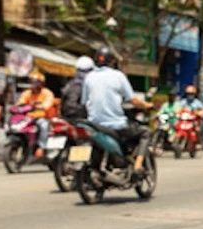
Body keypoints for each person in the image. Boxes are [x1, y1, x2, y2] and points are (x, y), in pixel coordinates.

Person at [82, 47, 151, 175]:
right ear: (112, 62)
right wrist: (146, 105)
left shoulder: (88, 77)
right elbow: (132, 100)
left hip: (94, 125)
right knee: (145, 132)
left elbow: (84, 101)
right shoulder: (118, 76)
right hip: (115, 125)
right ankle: (138, 165)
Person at [17, 70, 55, 157]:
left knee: (43, 126)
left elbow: (48, 104)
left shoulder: (47, 93)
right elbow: (20, 102)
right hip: (28, 118)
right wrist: (19, 106)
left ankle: (42, 146)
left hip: (42, 117)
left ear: (41, 84)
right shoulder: (27, 93)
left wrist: (39, 106)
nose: (34, 84)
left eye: (36, 82)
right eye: (32, 82)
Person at [60, 57, 94, 122]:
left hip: (66, 117)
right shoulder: (90, 86)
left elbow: (63, 99)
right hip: (81, 119)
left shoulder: (70, 84)